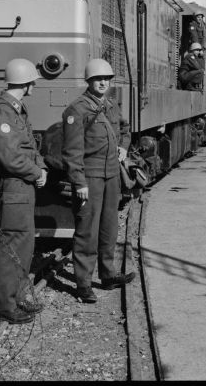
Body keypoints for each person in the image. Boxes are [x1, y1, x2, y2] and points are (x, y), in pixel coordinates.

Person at [62, 59, 134, 304]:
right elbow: (72, 151)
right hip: (90, 177)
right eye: (97, 79)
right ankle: (83, 284)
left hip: (111, 174)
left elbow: (125, 129)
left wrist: (123, 147)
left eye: (106, 79)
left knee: (109, 228)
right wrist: (79, 182)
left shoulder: (110, 105)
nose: (103, 83)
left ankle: (108, 274)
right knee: (87, 232)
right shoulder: (77, 110)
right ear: (89, 82)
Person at [0, 58, 48, 324]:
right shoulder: (4, 112)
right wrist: (37, 173)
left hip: (22, 186)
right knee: (12, 246)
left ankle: (18, 298)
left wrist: (41, 167)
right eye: (33, 81)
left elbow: (29, 148)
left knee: (24, 244)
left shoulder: (16, 111)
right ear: (26, 83)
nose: (35, 85)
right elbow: (10, 157)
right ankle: (5, 306)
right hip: (14, 186)